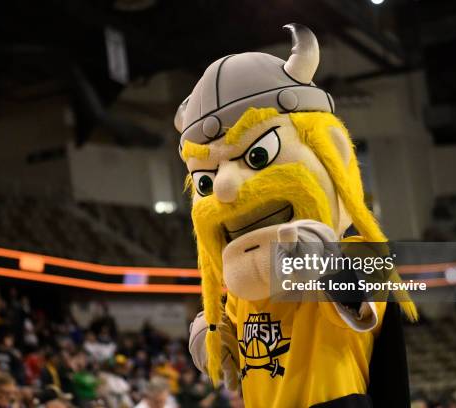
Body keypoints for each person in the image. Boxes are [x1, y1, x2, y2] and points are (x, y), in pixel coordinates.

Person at [176, 23, 417, 408]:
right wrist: (218, 344)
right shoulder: (242, 287)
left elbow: (358, 298)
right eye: (205, 181)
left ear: (331, 152)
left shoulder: (360, 251)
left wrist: (326, 265)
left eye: (257, 156)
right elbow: (245, 364)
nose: (223, 189)